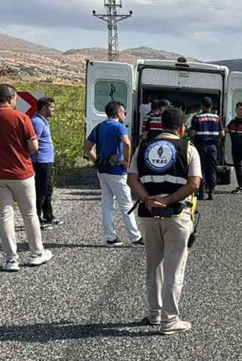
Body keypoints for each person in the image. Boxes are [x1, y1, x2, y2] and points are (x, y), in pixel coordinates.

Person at [128, 107, 202, 335]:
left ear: (161, 125)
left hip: (148, 215)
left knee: (154, 266)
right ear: (182, 128)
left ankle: (154, 314)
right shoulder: (188, 148)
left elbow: (132, 179)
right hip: (177, 215)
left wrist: (148, 199)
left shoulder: (143, 147)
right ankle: (170, 321)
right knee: (174, 269)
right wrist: (168, 200)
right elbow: (194, 183)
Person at [0, 84, 53, 271]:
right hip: (21, 173)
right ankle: (37, 253)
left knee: (4, 215)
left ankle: (10, 259)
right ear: (11, 98)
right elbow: (34, 147)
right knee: (29, 213)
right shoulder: (21, 118)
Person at [84, 101, 143, 246]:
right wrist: (127, 162)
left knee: (107, 203)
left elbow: (87, 147)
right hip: (117, 171)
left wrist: (96, 161)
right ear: (117, 113)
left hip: (103, 170)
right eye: (123, 112)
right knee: (125, 204)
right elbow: (127, 143)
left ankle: (111, 237)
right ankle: (135, 237)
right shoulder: (119, 126)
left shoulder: (99, 127)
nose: (124, 115)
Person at [31, 97, 62, 230]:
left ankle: (48, 215)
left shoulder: (43, 121)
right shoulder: (37, 122)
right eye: (51, 107)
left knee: (47, 189)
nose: (54, 110)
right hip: (40, 161)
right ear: (44, 108)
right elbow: (33, 141)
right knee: (40, 190)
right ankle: (37, 219)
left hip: (46, 160)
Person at [189, 97, 223, 200]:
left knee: (201, 169)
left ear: (202, 106)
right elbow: (222, 133)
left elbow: (192, 133)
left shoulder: (197, 117)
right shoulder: (217, 118)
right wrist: (215, 140)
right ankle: (211, 192)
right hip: (213, 146)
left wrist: (192, 139)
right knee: (212, 168)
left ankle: (201, 192)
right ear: (211, 106)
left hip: (201, 146)